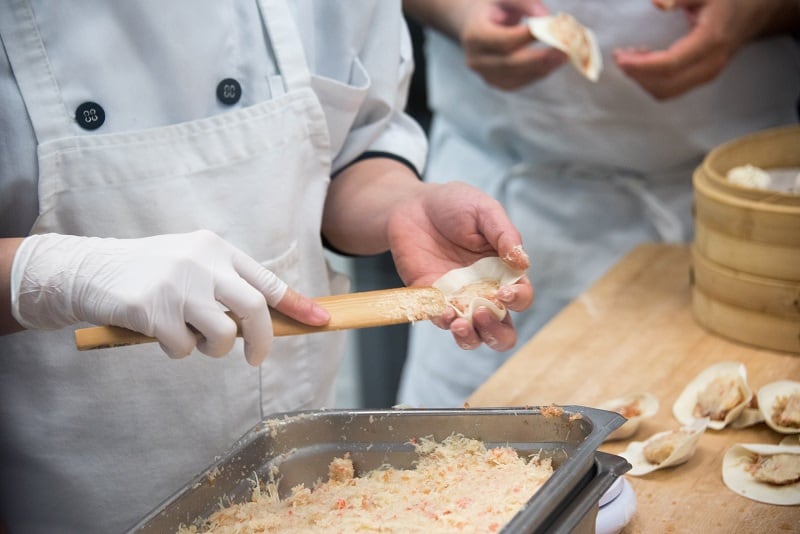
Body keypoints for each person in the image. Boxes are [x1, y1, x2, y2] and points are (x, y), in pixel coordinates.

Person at [0, 1, 533, 531]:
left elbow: (348, 150)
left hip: (308, 477)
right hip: (71, 483)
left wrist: (403, 206)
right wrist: (59, 274)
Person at [398, 0, 800, 408]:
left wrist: (759, 11)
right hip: (492, 203)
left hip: (739, 210)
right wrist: (457, 11)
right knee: (468, 442)